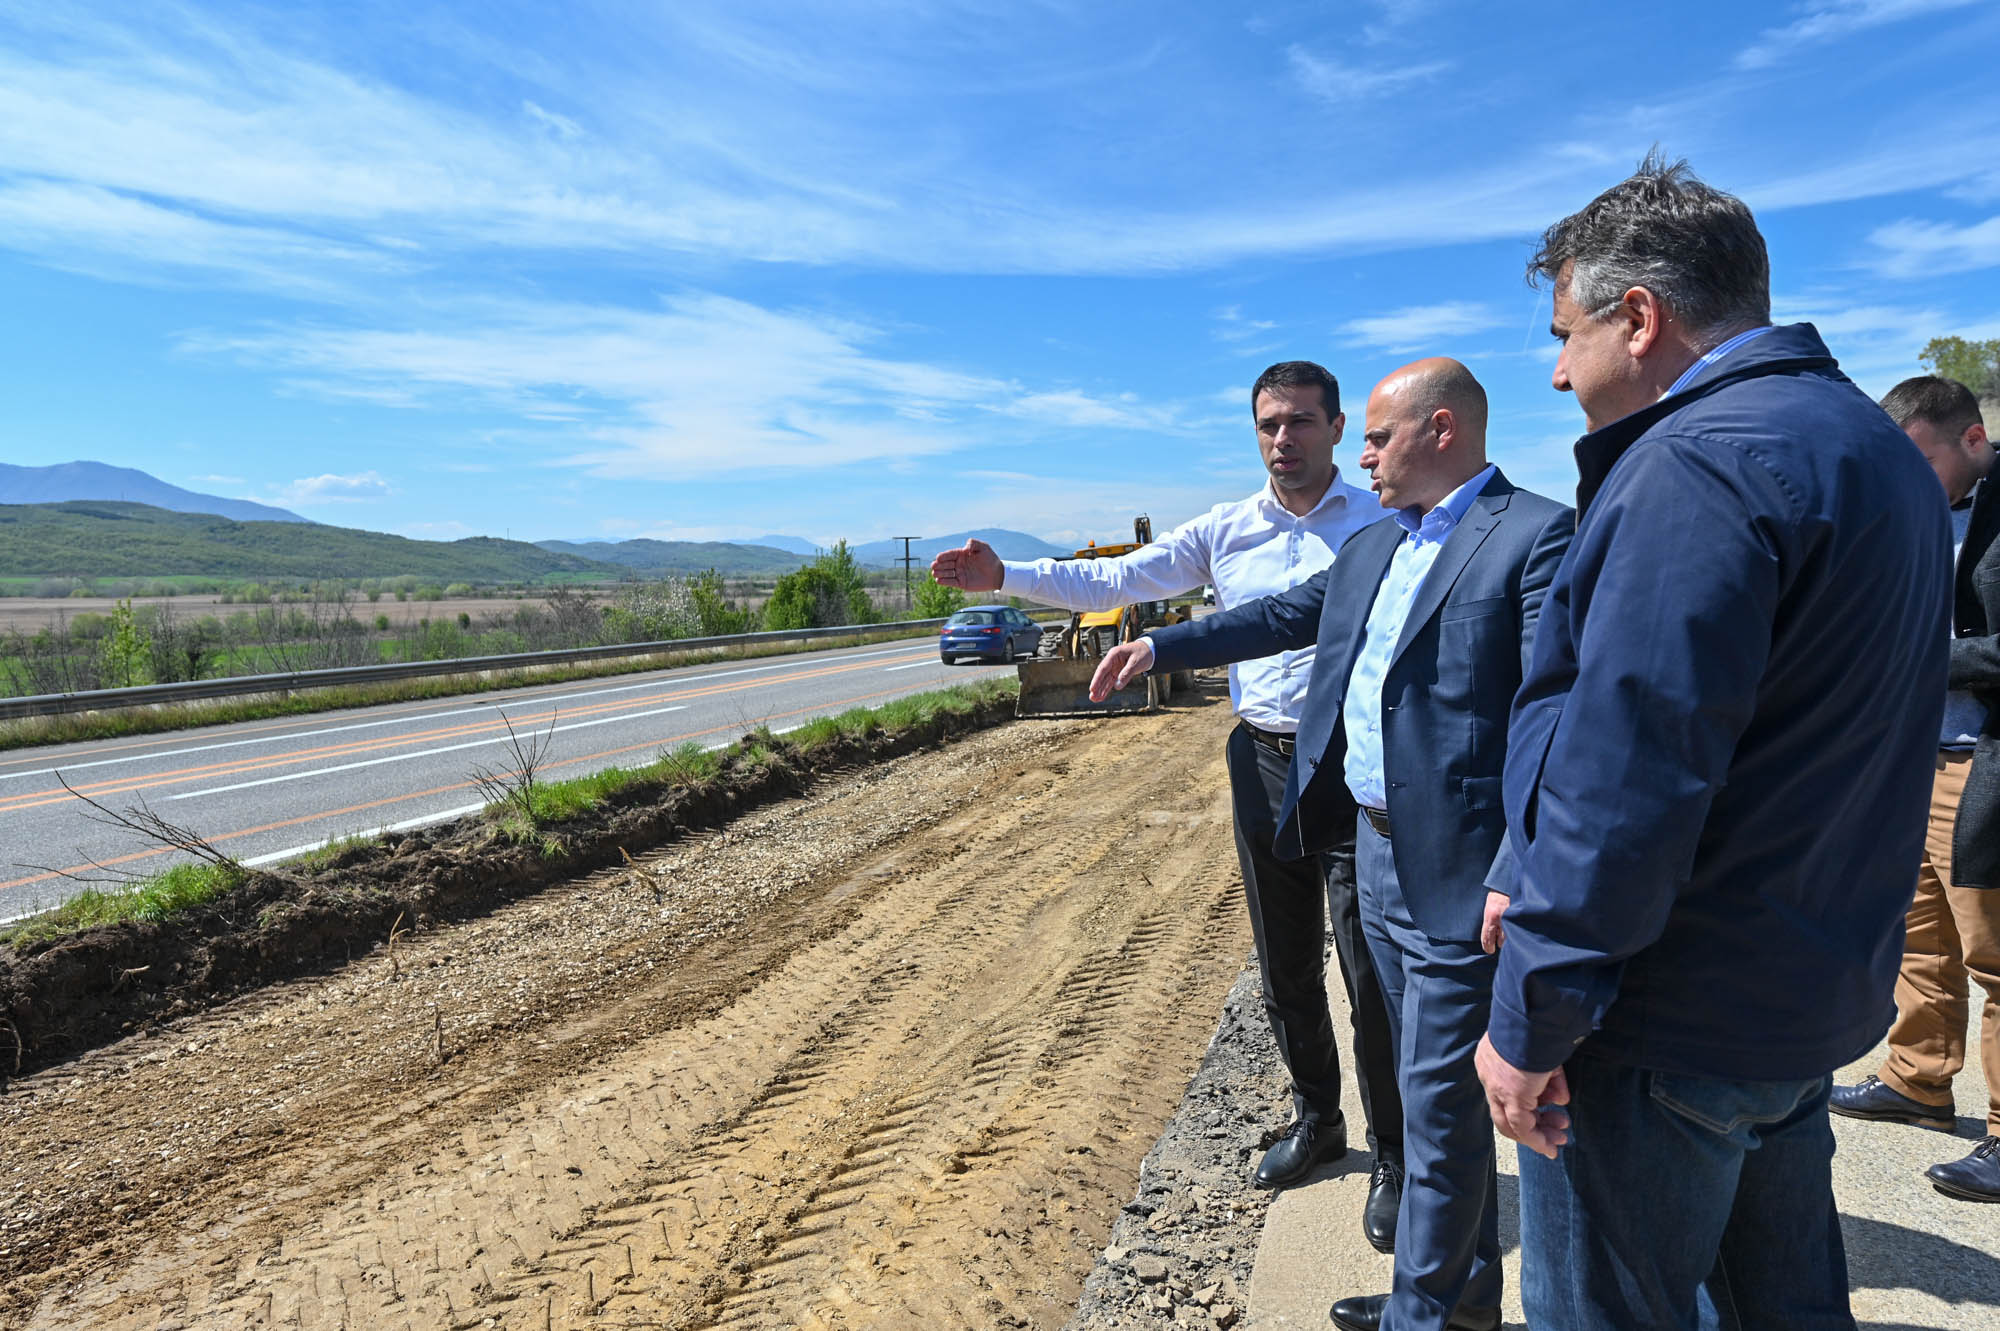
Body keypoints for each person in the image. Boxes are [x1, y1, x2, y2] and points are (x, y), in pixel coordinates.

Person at [1475, 154, 1950, 1330]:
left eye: (1565, 335)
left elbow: (1627, 776)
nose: (1556, 369)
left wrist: (1532, 1013)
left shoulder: (1695, 463)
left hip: (1662, 1018)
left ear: (1637, 317)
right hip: (1796, 988)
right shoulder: (1870, 447)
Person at [1090, 359, 1572, 1331]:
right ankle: (1462, 1296)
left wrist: (1515, 866)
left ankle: (1424, 1313)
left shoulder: (1533, 534)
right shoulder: (1374, 543)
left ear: (1442, 430)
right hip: (1374, 851)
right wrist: (1161, 646)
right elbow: (1278, 615)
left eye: (1378, 438)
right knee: (1425, 1091)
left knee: (1436, 1106)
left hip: (1458, 870)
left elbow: (1552, 716)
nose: (1364, 456)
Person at [931, 361, 1406, 1245]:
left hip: (1355, 766)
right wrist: (1006, 573)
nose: (1283, 439)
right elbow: (1119, 583)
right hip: (1262, 759)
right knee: (1285, 965)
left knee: (1370, 970)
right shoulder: (1225, 529)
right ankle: (1318, 1121)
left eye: (1302, 421)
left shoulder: (1382, 519)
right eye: (1268, 424)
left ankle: (1396, 1155)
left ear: (1338, 428)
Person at [1832, 374, 2000, 1202]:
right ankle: (1919, 1079)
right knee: (1919, 932)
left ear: (1973, 439)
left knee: (1994, 953)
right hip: (1915, 757)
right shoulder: (1916, 510)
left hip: (1986, 763)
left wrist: (1914, 654)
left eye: (1921, 460)